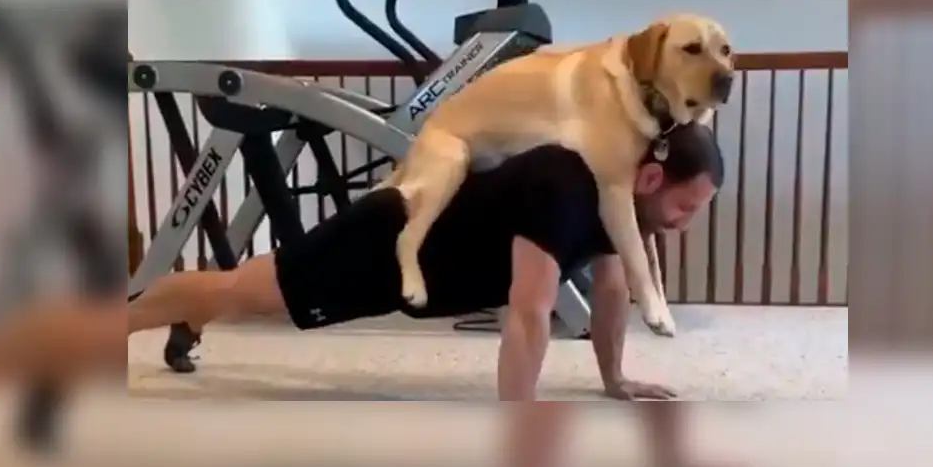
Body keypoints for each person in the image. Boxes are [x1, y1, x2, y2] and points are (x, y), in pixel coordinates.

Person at [127, 121, 724, 401]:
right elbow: (528, 313)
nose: (683, 223)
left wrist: (615, 381)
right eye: (684, 207)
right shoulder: (565, 189)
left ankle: (191, 317)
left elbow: (613, 292)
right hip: (380, 247)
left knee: (243, 297)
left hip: (418, 272)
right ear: (651, 177)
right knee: (238, 294)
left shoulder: (615, 201)